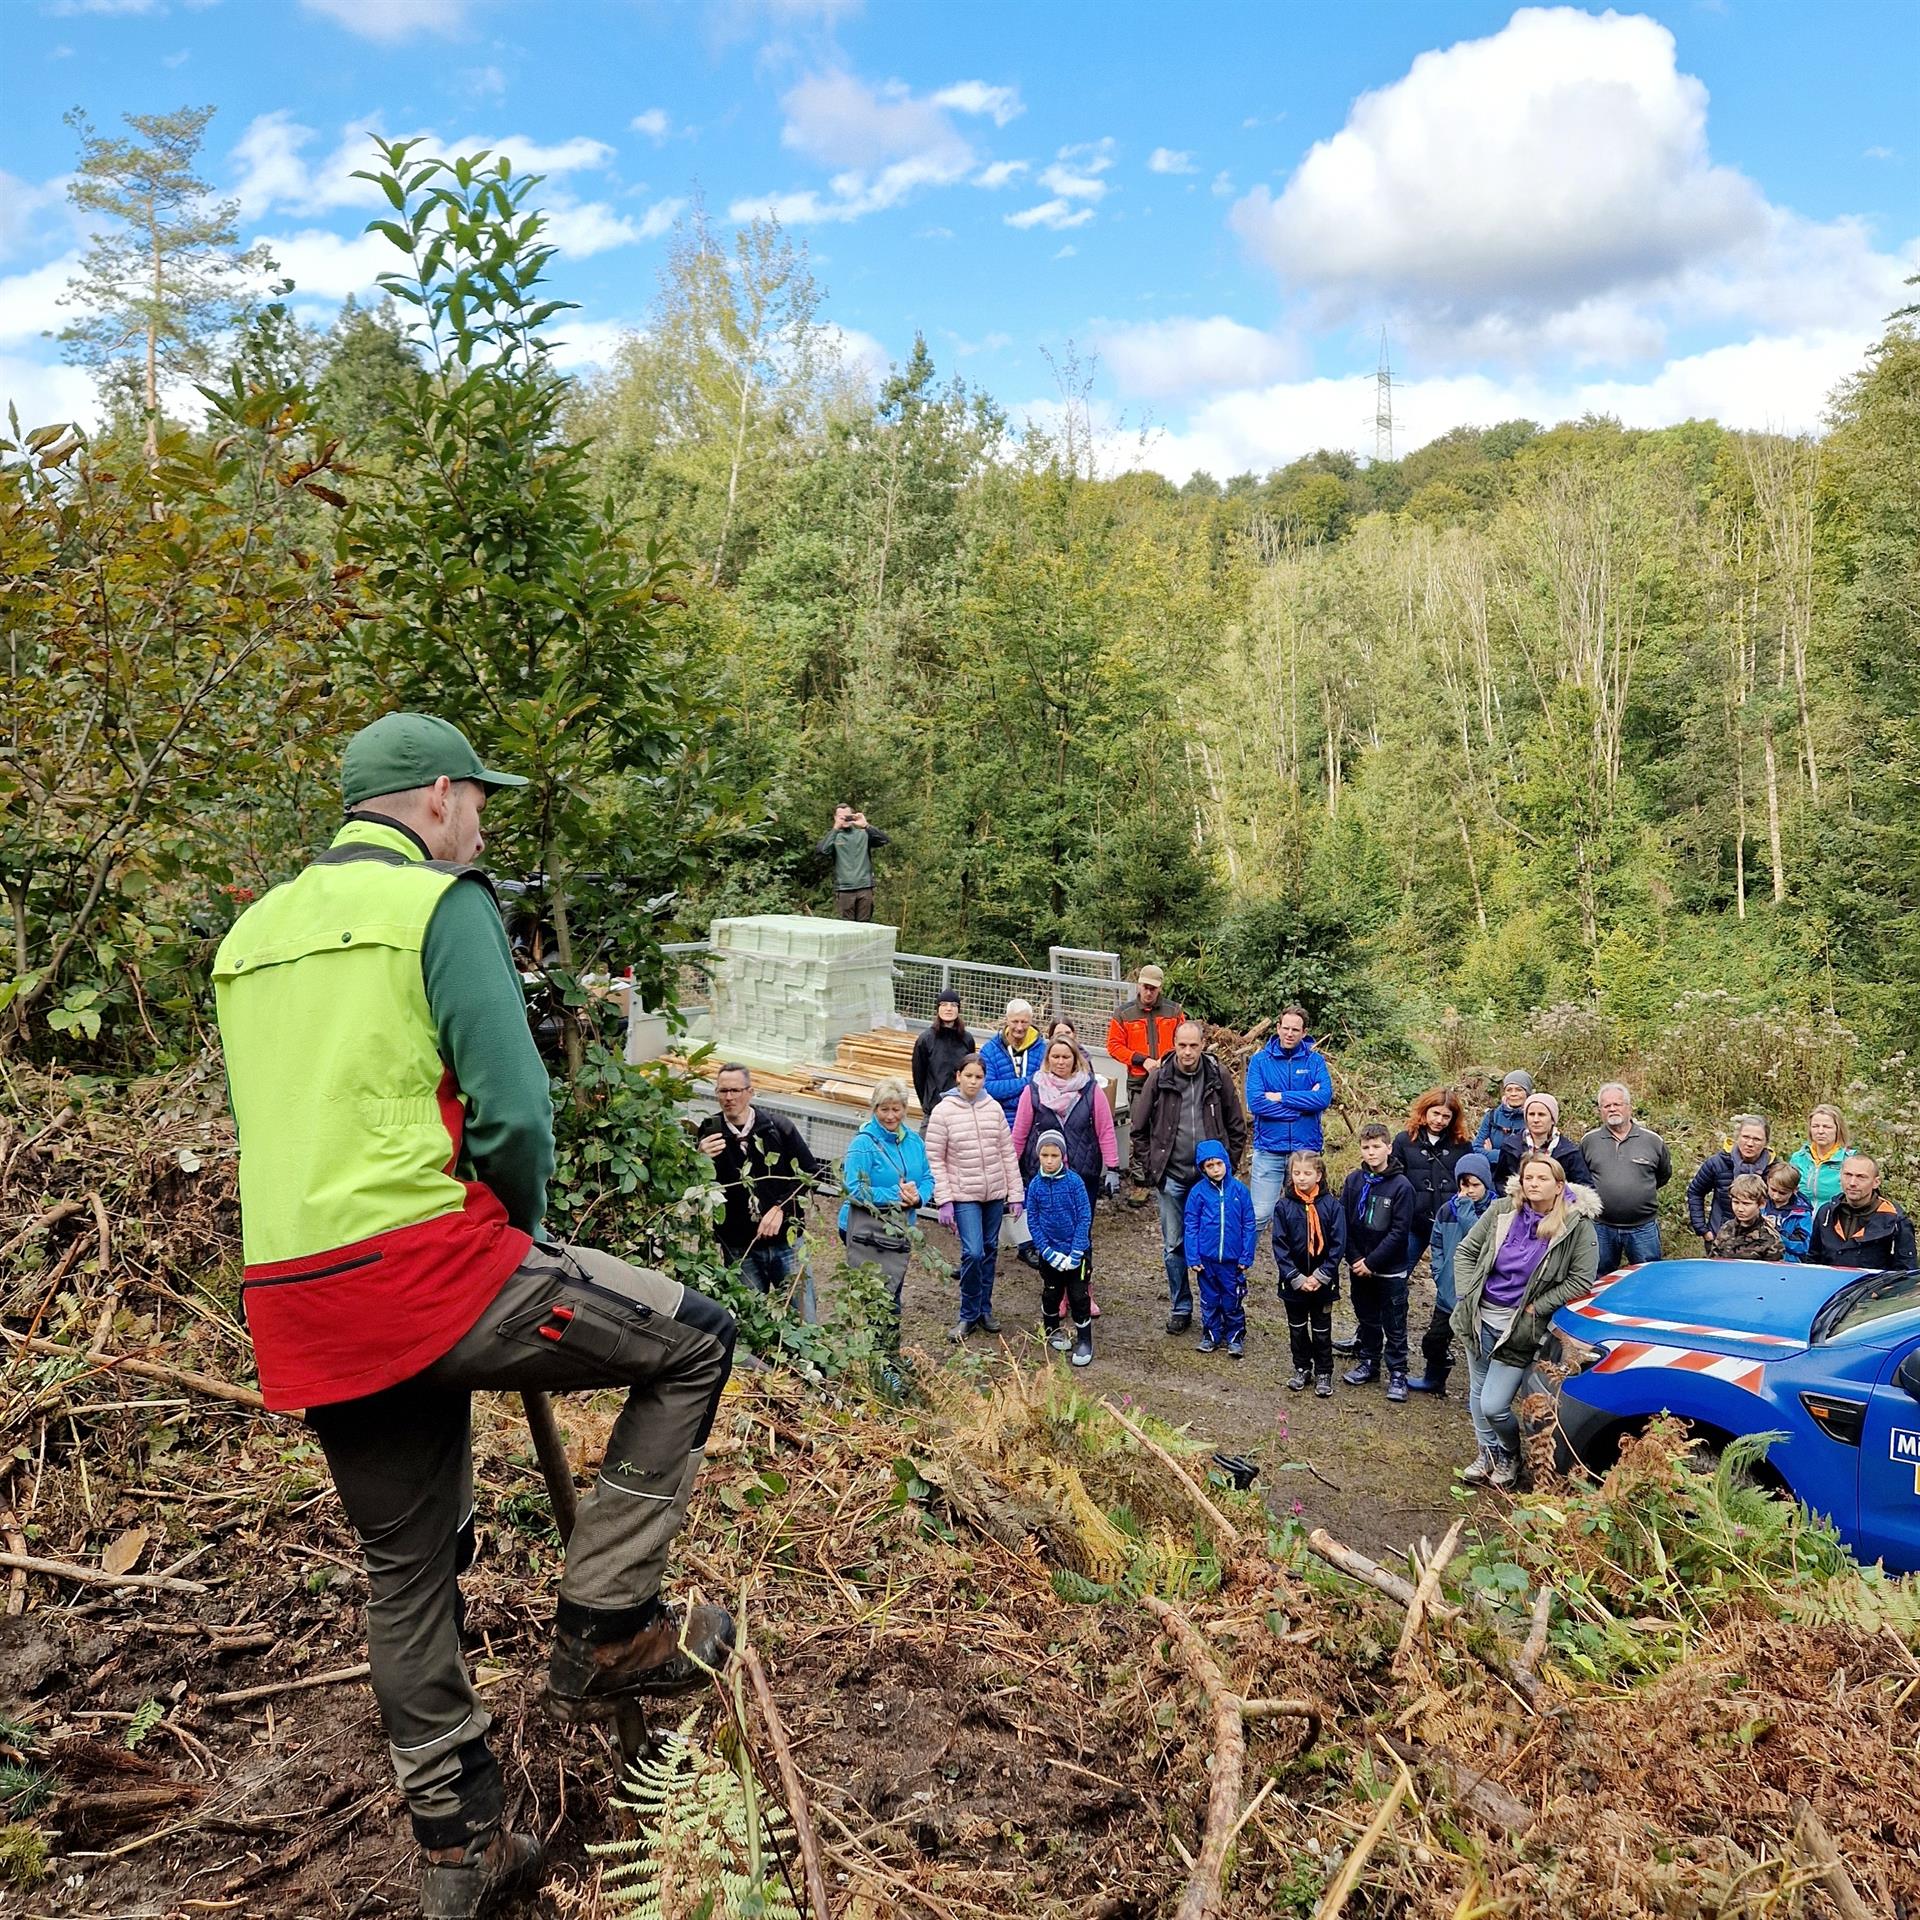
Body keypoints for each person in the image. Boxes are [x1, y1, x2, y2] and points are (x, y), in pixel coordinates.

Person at [211, 713, 735, 1918]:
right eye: (479, 800)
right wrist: (518, 1225)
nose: (482, 821)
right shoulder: (438, 907)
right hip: (432, 1266)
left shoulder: (250, 937)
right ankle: (609, 1625)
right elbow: (512, 1114)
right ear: (437, 797)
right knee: (695, 1338)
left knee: (405, 1573)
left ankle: (459, 1851)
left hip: (300, 1302)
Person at [1451, 1150, 1601, 1492]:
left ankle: (1509, 1453)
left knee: (1494, 1404)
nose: (1533, 1184)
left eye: (1542, 1178)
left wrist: (1538, 1306)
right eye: (1528, 1177)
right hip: (1479, 1317)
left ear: (1559, 1185)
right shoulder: (1503, 1210)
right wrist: (1466, 1294)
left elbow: (1581, 1279)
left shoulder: (1576, 1226)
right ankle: (1487, 1454)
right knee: (1478, 1392)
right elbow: (1466, 1251)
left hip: (1519, 1327)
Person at [1132, 1021, 1248, 1334]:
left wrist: (1229, 1166)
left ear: (1202, 1045)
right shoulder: (1159, 1078)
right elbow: (1139, 1128)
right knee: (1175, 1245)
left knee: (1218, 1244)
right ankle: (1181, 1306)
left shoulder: (1217, 1075)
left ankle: (1219, 1308)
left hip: (1210, 1180)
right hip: (1172, 1176)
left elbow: (1237, 1125)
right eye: (1182, 1045)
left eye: (1193, 1046)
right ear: (1173, 1045)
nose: (1187, 1052)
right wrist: (1154, 1169)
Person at [695, 1065, 824, 1322]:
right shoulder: (710, 1131)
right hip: (739, 1247)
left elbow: (810, 1174)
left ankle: (804, 1363)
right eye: (722, 1091)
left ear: (750, 1092)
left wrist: (780, 1208)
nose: (729, 1097)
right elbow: (699, 1188)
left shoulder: (776, 1128)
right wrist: (698, 1160)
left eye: (735, 1090)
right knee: (751, 1321)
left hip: (786, 1243)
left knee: (802, 1318)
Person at [925, 1054, 1024, 1340]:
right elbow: (935, 1157)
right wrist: (943, 1199)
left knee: (990, 1251)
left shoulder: (992, 1108)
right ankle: (967, 1314)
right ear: (958, 1076)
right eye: (968, 1075)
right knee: (973, 1252)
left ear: (984, 1079)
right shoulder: (944, 1112)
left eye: (978, 1077)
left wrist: (1015, 1193)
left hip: (993, 1192)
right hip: (963, 1193)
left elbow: (1007, 1152)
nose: (973, 1081)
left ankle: (984, 1308)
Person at [839, 1081, 932, 1337]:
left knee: (893, 1292)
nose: (891, 1116)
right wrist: (894, 1195)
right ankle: (872, 1353)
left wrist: (917, 1197)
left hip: (901, 1228)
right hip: (865, 1231)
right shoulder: (863, 1144)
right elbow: (854, 1189)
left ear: (905, 1109)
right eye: (884, 1109)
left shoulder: (913, 1141)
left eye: (897, 1109)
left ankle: (888, 1353)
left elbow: (928, 1178)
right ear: (874, 1109)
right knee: (873, 1297)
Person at [1245, 1005, 1336, 1242]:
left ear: (1304, 1032)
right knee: (1258, 1215)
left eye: (1295, 1030)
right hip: (1269, 1150)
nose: (1289, 1034)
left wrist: (1280, 1097)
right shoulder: (1260, 1061)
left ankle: (1300, 1275)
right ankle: (1237, 1270)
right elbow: (1255, 1103)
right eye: (1285, 1028)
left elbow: (1323, 1098)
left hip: (1305, 1152)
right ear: (1277, 1028)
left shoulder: (1315, 1061)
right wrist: (1299, 1109)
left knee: (1306, 1218)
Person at [1406, 1151, 1493, 1397]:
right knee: (1434, 1340)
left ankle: (1482, 1394)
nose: (1469, 1191)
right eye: (1463, 1185)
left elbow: (1478, 1234)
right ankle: (1434, 1378)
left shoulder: (1496, 1210)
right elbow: (1437, 1243)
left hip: (1482, 1294)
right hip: (1449, 1290)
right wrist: (1439, 1272)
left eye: (1475, 1185)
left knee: (1479, 1346)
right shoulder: (1447, 1210)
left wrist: (1465, 1208)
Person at [1342, 1123, 1417, 1399]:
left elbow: (1399, 1232)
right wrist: (1354, 1258)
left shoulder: (1402, 1186)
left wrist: (1372, 1262)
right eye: (1366, 1147)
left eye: (1376, 1147)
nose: (1371, 1153)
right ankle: (1369, 1362)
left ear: (1388, 1147)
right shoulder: (1354, 1181)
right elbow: (1343, 1222)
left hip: (1389, 1269)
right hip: (1358, 1266)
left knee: (1394, 1322)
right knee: (1368, 1318)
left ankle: (1398, 1373)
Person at [1272, 1150, 1345, 1395]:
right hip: (1294, 1283)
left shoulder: (1332, 1205)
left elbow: (1338, 1244)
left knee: (1322, 1329)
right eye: (1296, 1173)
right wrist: (1296, 1277)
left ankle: (1324, 1371)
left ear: (1319, 1174)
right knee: (1297, 1327)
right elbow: (1279, 1245)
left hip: (1323, 1282)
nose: (1301, 1179)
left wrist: (1321, 1275)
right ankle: (1301, 1366)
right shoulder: (1283, 1206)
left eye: (1307, 1173)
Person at [1579, 1083, 1672, 1275]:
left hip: (1642, 1228)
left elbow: (1663, 1176)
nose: (1612, 1109)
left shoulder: (1653, 1141)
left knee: (1649, 1276)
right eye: (1606, 1106)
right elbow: (1582, 1178)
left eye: (1617, 1104)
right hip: (1601, 1226)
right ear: (1600, 1111)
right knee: (1598, 1279)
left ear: (1629, 1107)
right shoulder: (1589, 1142)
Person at [1108, 965, 1184, 1195]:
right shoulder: (1124, 1013)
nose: (1148, 992)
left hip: (1169, 1078)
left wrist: (1166, 1058)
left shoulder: (1174, 1011)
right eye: (1145, 987)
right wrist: (1142, 1060)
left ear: (1160, 988)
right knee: (1140, 1128)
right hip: (1139, 1079)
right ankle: (1141, 1180)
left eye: (1153, 988)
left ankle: (1169, 1173)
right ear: (1138, 985)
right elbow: (1114, 1046)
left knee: (1169, 1125)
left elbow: (1183, 1039)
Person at [1026, 1128, 1094, 1367]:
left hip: (1075, 1254)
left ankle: (1084, 1339)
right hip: (1050, 1254)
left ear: (1062, 1156)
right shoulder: (1035, 1186)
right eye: (1044, 1155)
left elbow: (1084, 1217)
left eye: (1054, 1155)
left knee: (1078, 1295)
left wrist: (1076, 1252)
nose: (1049, 1160)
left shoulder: (1075, 1183)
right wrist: (1046, 1251)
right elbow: (1032, 1220)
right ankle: (1052, 1330)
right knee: (1052, 1292)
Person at [1184, 1139, 1256, 1356]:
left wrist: (1246, 1255)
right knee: (1209, 1299)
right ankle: (1211, 1335)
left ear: (1226, 1162)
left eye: (1219, 1164)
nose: (1215, 1169)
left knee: (1232, 1299)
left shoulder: (1240, 1191)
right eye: (1209, 1166)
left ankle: (1235, 1337)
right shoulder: (1198, 1193)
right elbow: (1191, 1224)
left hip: (1232, 1260)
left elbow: (1249, 1224)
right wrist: (1193, 1256)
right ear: (1202, 1168)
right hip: (1207, 1260)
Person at [1390, 1085, 1469, 1251]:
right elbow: (1394, 1181)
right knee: (1399, 1271)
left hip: (1450, 1222)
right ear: (1425, 1111)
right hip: (1413, 1222)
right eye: (1436, 1113)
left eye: (1446, 1116)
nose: (1440, 1121)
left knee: (1450, 1274)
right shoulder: (1404, 1140)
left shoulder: (1462, 1145)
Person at [1806, 1155, 1917, 1270]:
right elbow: (1813, 1261)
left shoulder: (1894, 1219)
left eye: (1861, 1177)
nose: (1852, 1183)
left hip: (1874, 1286)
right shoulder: (1826, 1214)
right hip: (1831, 1284)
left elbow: (1906, 1272)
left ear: (1876, 1182)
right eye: (1848, 1175)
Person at [1687, 1115, 1774, 1249]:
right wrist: (1703, 1230)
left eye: (1757, 1139)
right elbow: (1695, 1191)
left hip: (1760, 1243)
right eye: (1745, 1137)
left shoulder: (1774, 1168)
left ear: (1766, 1142)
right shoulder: (1718, 1163)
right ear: (1737, 1137)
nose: (1750, 1143)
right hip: (1720, 1239)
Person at [979, 998, 1047, 1127]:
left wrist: (1006, 1097)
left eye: (1024, 1022)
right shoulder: (989, 1050)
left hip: (1034, 1121)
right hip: (997, 1120)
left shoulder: (1043, 1051)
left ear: (1031, 1021)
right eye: (1015, 1021)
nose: (1019, 1027)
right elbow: (987, 1088)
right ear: (1006, 1020)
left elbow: (1044, 1089)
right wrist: (1029, 1081)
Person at [911, 989, 973, 1126]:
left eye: (953, 1005)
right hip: (934, 1109)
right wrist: (927, 1102)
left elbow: (970, 1072)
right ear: (938, 1008)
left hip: (960, 1109)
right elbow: (918, 1076)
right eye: (944, 1004)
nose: (949, 1009)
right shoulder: (925, 1039)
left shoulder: (967, 1039)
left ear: (958, 1009)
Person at [816, 803, 888, 921]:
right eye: (841, 817)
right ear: (835, 818)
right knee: (847, 927)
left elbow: (884, 840)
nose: (845, 819)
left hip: (865, 887)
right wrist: (835, 828)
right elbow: (822, 851)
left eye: (848, 816)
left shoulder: (863, 834)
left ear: (853, 816)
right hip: (844, 889)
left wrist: (866, 825)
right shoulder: (834, 837)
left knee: (865, 926)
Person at [1521, 1093, 1594, 1190]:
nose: (1536, 1119)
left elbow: (1585, 1187)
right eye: (1531, 1114)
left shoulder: (1570, 1152)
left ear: (1552, 1119)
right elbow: (1501, 1181)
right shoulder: (1511, 1146)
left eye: (1541, 1114)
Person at [1788, 1105, 1854, 1210]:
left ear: (1838, 1129)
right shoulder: (1798, 1158)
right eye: (1815, 1126)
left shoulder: (1850, 1160)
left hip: (1836, 1217)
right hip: (1801, 1218)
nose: (1820, 1131)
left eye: (1827, 1127)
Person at [1474, 1070, 1534, 1183]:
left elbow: (1532, 1155)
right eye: (1509, 1090)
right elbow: (1476, 1148)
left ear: (1528, 1092)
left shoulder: (1533, 1117)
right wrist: (1509, 1157)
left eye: (1519, 1089)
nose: (1513, 1093)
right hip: (1493, 1178)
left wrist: (1492, 1153)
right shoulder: (1492, 1116)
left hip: (1523, 1179)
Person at [1712, 1173, 1784, 1261]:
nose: (1740, 1209)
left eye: (1746, 1204)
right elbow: (1714, 1262)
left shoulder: (1770, 1239)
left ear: (1761, 1204)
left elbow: (1773, 1272)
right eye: (1736, 1202)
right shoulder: (1726, 1228)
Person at [1765, 1163, 1815, 1262]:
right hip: (1760, 1259)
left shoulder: (1802, 1213)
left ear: (1795, 1190)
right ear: (1768, 1182)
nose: (1776, 1196)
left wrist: (1777, 1231)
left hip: (1788, 1262)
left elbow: (1803, 1246)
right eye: (1773, 1190)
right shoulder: (1760, 1204)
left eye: (1782, 1193)